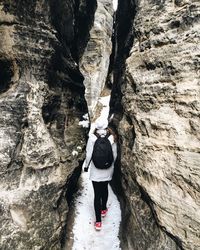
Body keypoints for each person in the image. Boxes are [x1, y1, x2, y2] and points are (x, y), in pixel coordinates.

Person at [84, 119, 118, 231]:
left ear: (97, 127)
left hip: (95, 171)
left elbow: (88, 154)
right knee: (105, 189)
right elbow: (114, 154)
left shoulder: (92, 138)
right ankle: (104, 209)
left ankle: (98, 222)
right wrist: (111, 166)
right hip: (108, 170)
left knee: (97, 194)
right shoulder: (111, 138)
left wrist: (86, 166)